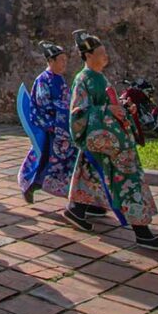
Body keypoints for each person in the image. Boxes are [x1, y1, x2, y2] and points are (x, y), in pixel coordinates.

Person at [65, 30, 158, 251]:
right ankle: (142, 232)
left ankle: (78, 209)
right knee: (129, 181)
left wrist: (121, 106)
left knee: (90, 173)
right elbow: (77, 114)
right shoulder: (83, 79)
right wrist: (107, 110)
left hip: (106, 136)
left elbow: (105, 103)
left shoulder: (99, 77)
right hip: (108, 141)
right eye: (101, 53)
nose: (106, 57)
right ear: (88, 55)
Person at [18, 42, 97, 210]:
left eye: (65, 61)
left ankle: (81, 200)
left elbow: (67, 100)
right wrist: (59, 118)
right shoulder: (43, 80)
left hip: (65, 129)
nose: (64, 64)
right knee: (47, 161)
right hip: (52, 129)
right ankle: (33, 185)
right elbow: (42, 105)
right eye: (61, 60)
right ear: (51, 61)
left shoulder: (59, 79)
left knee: (73, 163)